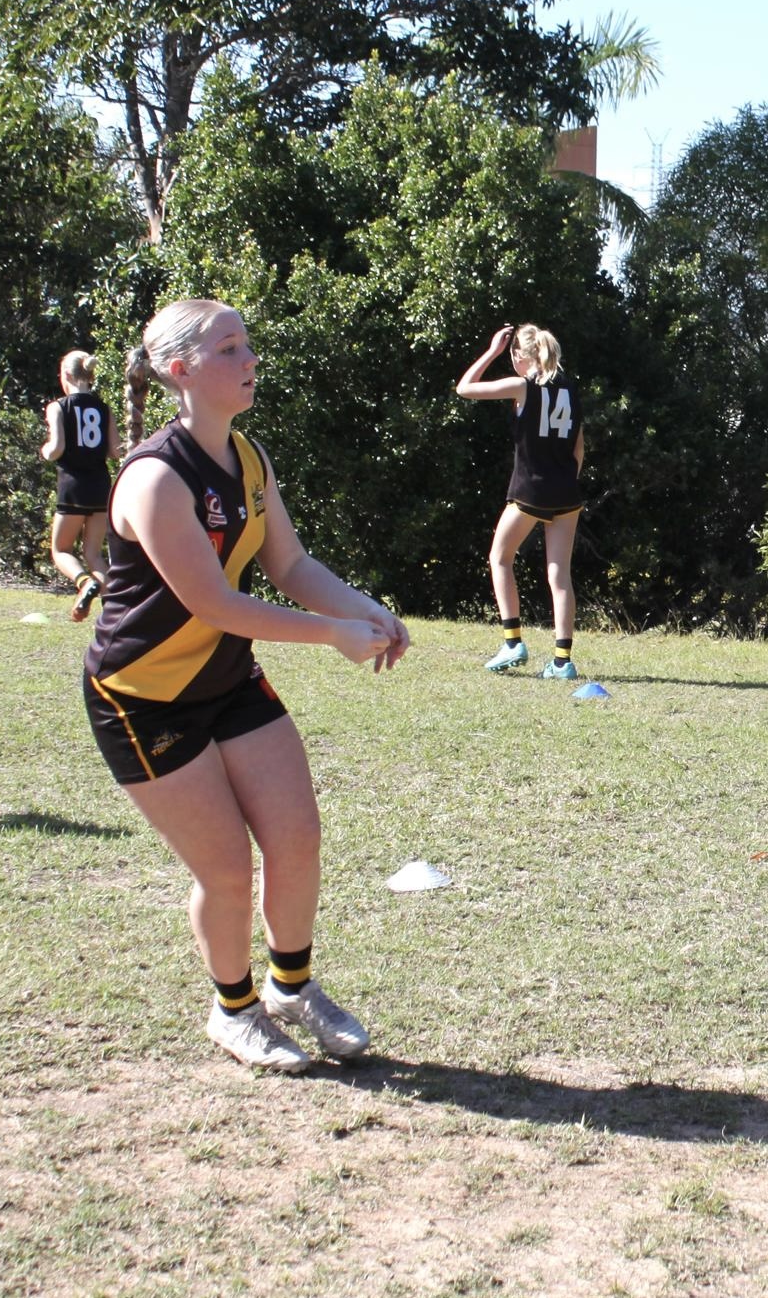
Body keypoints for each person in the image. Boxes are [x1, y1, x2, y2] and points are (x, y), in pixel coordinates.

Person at [83, 299, 410, 1072]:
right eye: (230, 348)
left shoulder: (249, 457)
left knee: (296, 835)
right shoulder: (155, 479)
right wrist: (331, 634)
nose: (251, 359)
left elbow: (288, 563)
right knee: (227, 867)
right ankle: (233, 1010)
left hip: (225, 677)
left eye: (248, 344)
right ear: (180, 370)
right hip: (143, 697)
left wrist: (365, 609)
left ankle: (291, 988)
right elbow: (216, 604)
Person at [456, 323, 584, 680]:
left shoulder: (522, 386)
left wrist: (491, 351)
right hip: (567, 492)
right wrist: (564, 482)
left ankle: (513, 642)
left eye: (512, 354)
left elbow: (464, 388)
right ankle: (562, 662)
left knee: (499, 558)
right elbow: (579, 447)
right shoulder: (571, 389)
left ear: (520, 355)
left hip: (530, 491)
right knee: (559, 575)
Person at [40, 350, 123, 621]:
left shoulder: (58, 407)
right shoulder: (103, 408)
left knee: (61, 550)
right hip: (100, 487)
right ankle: (117, 612)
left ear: (66, 375)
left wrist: (45, 451)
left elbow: (56, 448)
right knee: (93, 554)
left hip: (73, 487)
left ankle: (84, 582)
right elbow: (115, 451)